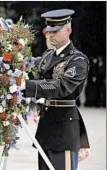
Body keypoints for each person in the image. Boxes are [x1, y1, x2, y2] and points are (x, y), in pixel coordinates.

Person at [22, 9, 90, 170]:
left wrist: (28, 86)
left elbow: (61, 87)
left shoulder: (77, 59)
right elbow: (34, 77)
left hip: (64, 129)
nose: (50, 35)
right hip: (46, 127)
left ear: (68, 30)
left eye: (55, 31)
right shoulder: (47, 56)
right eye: (48, 31)